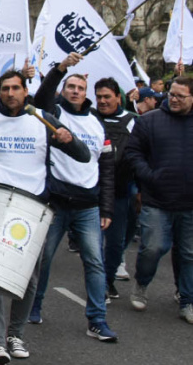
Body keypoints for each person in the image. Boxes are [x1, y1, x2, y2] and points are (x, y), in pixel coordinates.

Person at [0, 71, 90, 364]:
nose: (10, 93)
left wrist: (68, 140)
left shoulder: (42, 119)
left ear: (25, 90)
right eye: (5, 88)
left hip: (33, 207)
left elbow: (83, 155)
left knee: (29, 277)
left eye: (16, 88)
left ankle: (15, 334)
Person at [30, 53, 118, 342]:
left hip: (88, 206)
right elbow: (41, 97)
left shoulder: (97, 123)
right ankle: (34, 306)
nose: (76, 92)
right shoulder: (53, 112)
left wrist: (106, 206)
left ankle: (97, 320)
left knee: (95, 262)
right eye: (71, 87)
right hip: (56, 201)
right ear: (63, 91)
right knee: (43, 259)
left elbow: (105, 168)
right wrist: (61, 68)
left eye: (80, 88)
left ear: (86, 93)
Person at [124, 76, 193, 325]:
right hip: (156, 199)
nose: (173, 99)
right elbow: (133, 152)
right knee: (153, 248)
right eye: (171, 94)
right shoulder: (150, 120)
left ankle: (187, 300)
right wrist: (149, 176)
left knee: (189, 254)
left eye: (180, 96)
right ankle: (142, 283)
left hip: (189, 204)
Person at [91, 78, 137, 300]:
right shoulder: (89, 118)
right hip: (91, 191)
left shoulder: (132, 121)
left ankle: (108, 279)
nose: (102, 101)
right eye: (98, 97)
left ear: (119, 97)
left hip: (120, 192)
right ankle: (98, 286)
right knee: (93, 245)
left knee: (115, 243)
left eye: (107, 96)